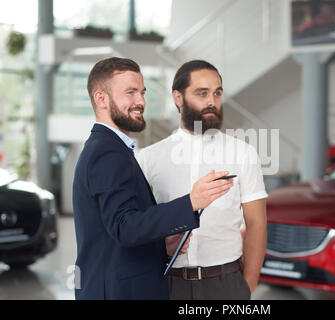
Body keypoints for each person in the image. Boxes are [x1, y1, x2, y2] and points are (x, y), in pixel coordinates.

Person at [72, 57, 233, 300]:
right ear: (101, 98)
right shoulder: (107, 152)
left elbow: (112, 233)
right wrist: (191, 201)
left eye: (142, 92)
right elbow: (124, 227)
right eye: (130, 93)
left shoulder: (111, 148)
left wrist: (160, 247)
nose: (141, 102)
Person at [137, 60, 267, 300]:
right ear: (178, 98)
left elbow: (256, 223)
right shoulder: (148, 160)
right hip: (167, 283)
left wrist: (247, 286)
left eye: (217, 93)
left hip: (226, 284)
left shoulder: (243, 153)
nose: (212, 101)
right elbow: (140, 226)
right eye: (202, 93)